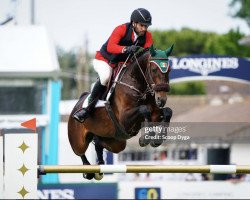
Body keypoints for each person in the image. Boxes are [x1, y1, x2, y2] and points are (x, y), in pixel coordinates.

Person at [74, 8, 154, 123]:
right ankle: (87, 110)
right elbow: (111, 47)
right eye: (142, 25)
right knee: (106, 76)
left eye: (146, 26)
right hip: (104, 59)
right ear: (134, 23)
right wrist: (126, 49)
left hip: (123, 63)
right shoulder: (121, 29)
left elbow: (148, 53)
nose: (144, 29)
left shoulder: (147, 36)